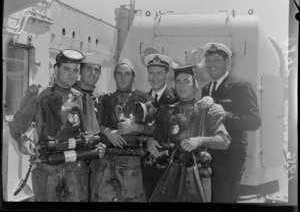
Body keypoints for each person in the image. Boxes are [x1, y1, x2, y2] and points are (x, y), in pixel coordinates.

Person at [8, 49, 106, 202]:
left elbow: (92, 136)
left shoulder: (83, 99)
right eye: (66, 68)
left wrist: (98, 146)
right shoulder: (39, 95)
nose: (71, 74)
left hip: (76, 172)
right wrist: (22, 139)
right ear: (56, 69)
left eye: (75, 70)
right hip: (47, 171)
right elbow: (16, 124)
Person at [149, 64, 231, 202]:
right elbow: (156, 137)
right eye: (178, 82)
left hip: (197, 176)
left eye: (186, 81)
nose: (182, 86)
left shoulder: (206, 111)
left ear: (196, 85)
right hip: (168, 176)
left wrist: (199, 140)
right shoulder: (166, 111)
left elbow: (225, 141)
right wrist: (150, 141)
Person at [201, 42, 261, 202]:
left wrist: (226, 114)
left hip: (230, 160)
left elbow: (254, 121)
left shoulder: (241, 86)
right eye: (208, 61)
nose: (211, 65)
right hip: (208, 157)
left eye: (216, 60)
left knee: (225, 200)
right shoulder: (206, 89)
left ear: (227, 62)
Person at [89, 58, 153, 202]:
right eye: (119, 74)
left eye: (127, 74)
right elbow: (91, 125)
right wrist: (107, 132)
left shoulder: (145, 100)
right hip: (104, 160)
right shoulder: (103, 99)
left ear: (134, 77)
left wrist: (136, 127)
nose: (123, 78)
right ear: (114, 76)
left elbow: (154, 129)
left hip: (132, 162)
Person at [141, 51, 179, 200]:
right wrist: (146, 140)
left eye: (159, 73)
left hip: (169, 165)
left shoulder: (176, 98)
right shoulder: (142, 99)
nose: (154, 77)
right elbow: (136, 130)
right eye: (151, 73)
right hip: (146, 165)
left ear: (167, 74)